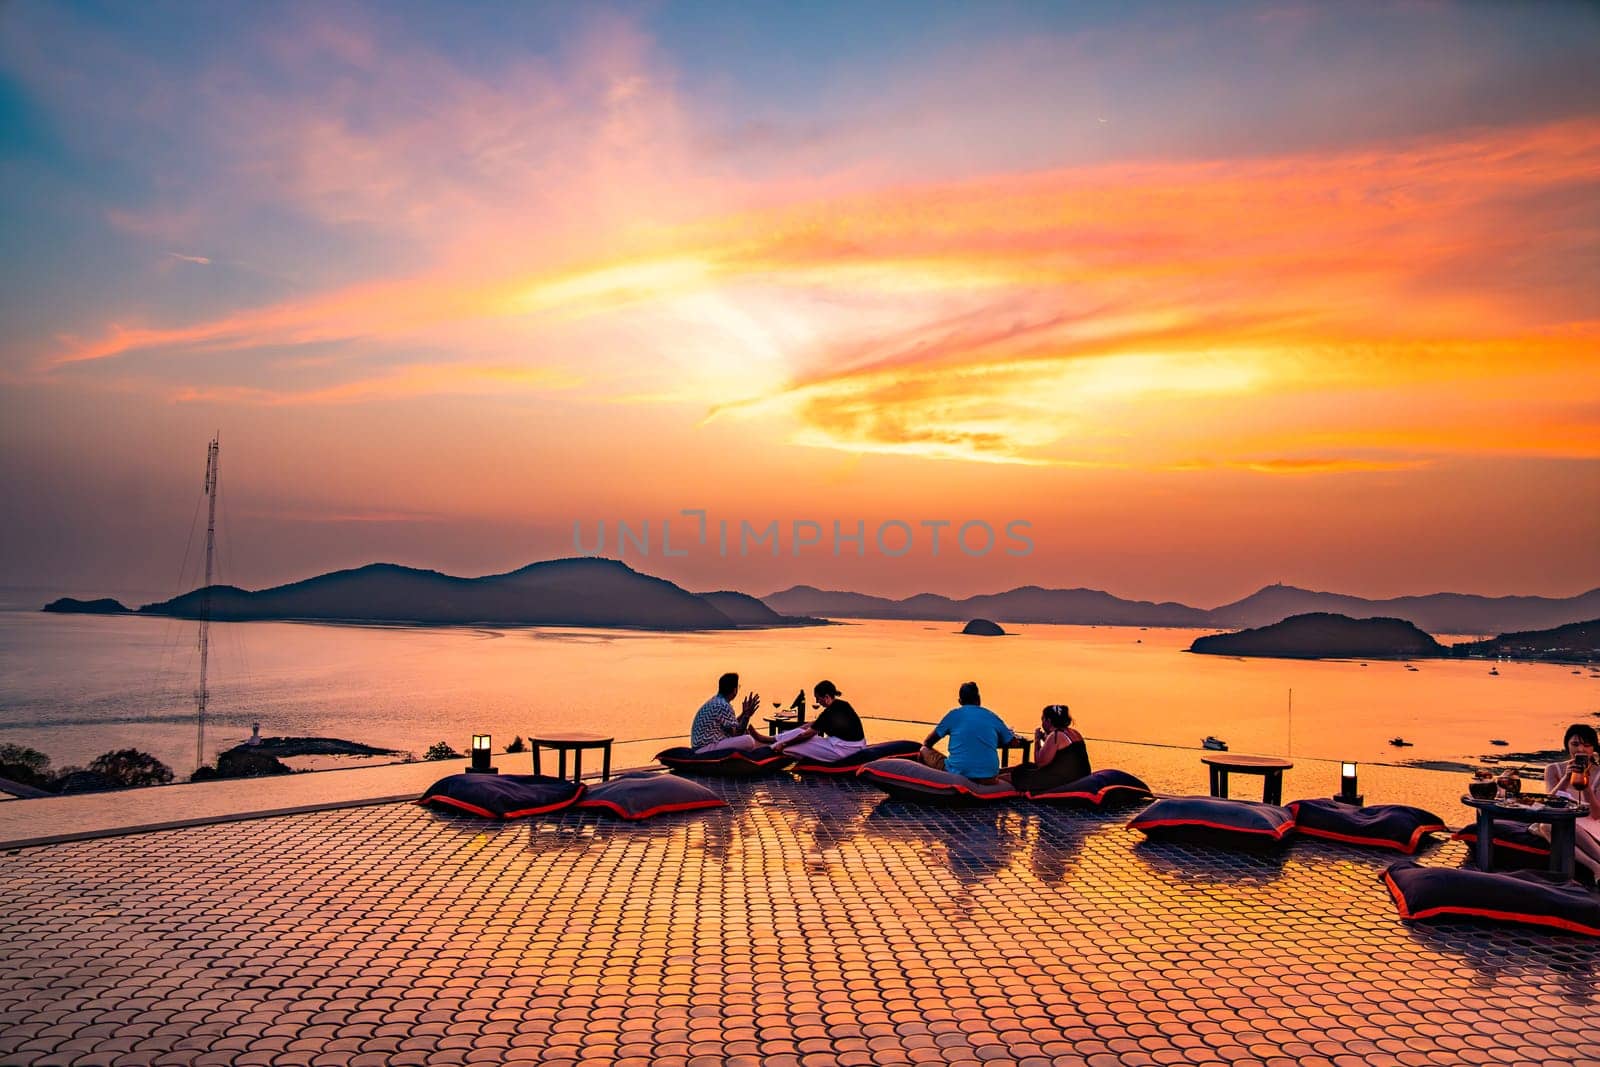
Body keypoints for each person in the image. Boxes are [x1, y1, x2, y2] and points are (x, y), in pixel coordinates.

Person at [918, 681, 1018, 782]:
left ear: (960, 701)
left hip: (958, 773)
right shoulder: (991, 716)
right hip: (990, 776)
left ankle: (926, 787)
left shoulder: (953, 715)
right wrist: (992, 740)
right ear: (979, 699)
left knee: (923, 749)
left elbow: (928, 742)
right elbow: (1013, 742)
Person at [1537, 723, 1600, 879]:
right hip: (1560, 817)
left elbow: (1596, 814)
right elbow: (1549, 804)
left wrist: (1586, 785)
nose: (1580, 750)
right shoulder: (1553, 769)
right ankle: (1596, 867)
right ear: (1567, 745)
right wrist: (1566, 778)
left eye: (1587, 745)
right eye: (1575, 744)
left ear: (1593, 749)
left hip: (1590, 822)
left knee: (1549, 826)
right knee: (1547, 825)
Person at [766, 680, 866, 762]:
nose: (817, 702)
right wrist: (797, 730)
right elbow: (814, 724)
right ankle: (773, 740)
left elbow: (806, 735)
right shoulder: (842, 705)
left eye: (818, 698)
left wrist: (784, 744)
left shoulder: (830, 712)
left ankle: (771, 748)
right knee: (799, 732)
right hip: (854, 745)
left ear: (826, 697)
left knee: (791, 747)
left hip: (844, 750)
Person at [997, 704, 1087, 792]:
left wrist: (1037, 740)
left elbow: (1040, 762)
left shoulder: (1055, 735)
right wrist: (1045, 739)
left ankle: (993, 780)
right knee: (1026, 766)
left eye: (1043, 719)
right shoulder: (1074, 732)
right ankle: (997, 773)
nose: (1042, 723)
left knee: (1018, 775)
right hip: (1079, 776)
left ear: (1048, 721)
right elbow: (1058, 753)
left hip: (1062, 780)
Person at [690, 672, 762, 752]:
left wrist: (743, 714)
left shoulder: (716, 701)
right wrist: (747, 716)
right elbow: (737, 733)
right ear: (735, 690)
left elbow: (733, 726)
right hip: (705, 748)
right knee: (749, 740)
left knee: (746, 733)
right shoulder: (723, 705)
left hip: (700, 747)